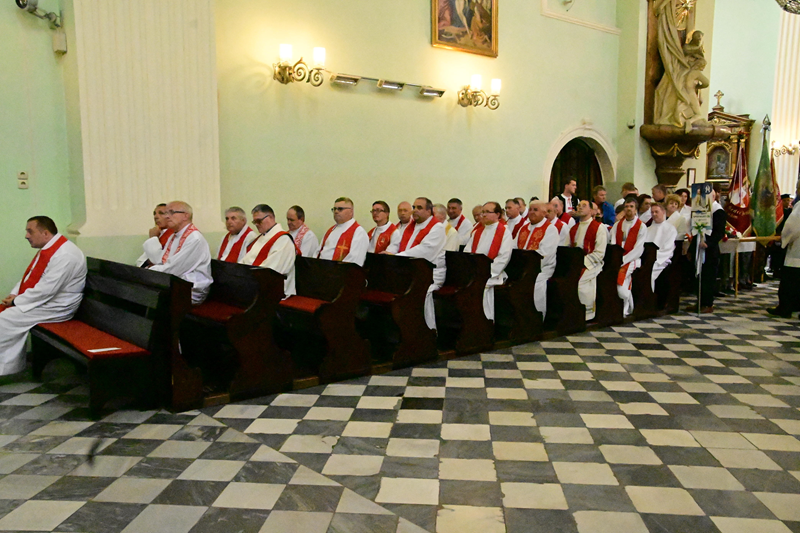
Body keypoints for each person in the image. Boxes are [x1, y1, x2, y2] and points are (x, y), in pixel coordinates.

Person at [0, 216, 87, 376]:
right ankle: (7, 367)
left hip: (57, 306)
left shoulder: (66, 255)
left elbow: (47, 289)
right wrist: (14, 293)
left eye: (30, 231)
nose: (26, 236)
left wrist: (16, 301)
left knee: (3, 320)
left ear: (45, 233)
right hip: (45, 302)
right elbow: (30, 276)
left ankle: (5, 368)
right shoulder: (50, 248)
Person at [386, 198, 447, 329]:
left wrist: (397, 257)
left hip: (430, 272)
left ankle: (425, 329)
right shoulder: (410, 226)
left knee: (420, 292)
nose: (415, 210)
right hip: (409, 269)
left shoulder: (437, 228)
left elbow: (425, 251)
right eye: (414, 207)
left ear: (429, 211)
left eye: (419, 207)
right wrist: (389, 252)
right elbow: (397, 243)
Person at [143, 201, 212, 305]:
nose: (167, 216)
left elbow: (173, 269)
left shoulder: (194, 239)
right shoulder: (174, 236)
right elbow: (161, 260)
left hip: (191, 290)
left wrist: (148, 272)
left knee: (145, 297)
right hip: (176, 283)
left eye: (171, 212)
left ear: (185, 216)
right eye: (166, 213)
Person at [464, 202, 513, 321]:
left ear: (497, 214)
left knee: (482, 286)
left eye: (487, 212)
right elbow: (467, 253)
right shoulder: (477, 232)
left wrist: (485, 274)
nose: (484, 215)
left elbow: (503, 257)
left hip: (493, 274)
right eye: (483, 212)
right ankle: (471, 322)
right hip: (475, 273)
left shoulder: (504, 232)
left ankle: (486, 321)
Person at [564, 200, 607, 320]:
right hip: (576, 263)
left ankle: (586, 314)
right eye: (579, 205)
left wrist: (581, 262)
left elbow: (599, 252)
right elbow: (568, 248)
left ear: (591, 211)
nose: (580, 208)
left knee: (581, 284)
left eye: (584, 206)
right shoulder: (573, 228)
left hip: (592, 264)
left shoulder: (598, 228)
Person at [242, 204, 296, 297]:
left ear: (270, 217)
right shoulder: (260, 237)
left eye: (259, 221)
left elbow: (271, 272)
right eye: (254, 222)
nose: (256, 224)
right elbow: (245, 261)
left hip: (275, 291)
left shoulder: (283, 240)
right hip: (255, 284)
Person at [516, 201, 559, 317]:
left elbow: (546, 254)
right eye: (530, 209)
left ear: (544, 213)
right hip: (522, 268)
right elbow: (514, 247)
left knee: (534, 283)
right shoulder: (523, 228)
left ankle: (536, 316)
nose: (531, 212)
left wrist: (528, 266)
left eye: (535, 210)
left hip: (542, 268)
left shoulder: (550, 229)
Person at [686, 188, 725, 313]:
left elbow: (719, 232)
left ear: (713, 197)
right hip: (699, 247)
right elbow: (696, 231)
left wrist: (708, 243)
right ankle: (700, 302)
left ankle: (708, 304)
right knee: (698, 277)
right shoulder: (700, 210)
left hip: (710, 250)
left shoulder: (718, 211)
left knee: (708, 277)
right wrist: (691, 249)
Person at [611, 196, 647, 317]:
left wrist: (623, 260)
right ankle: (628, 308)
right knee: (624, 282)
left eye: (631, 206)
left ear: (636, 209)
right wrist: (616, 258)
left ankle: (626, 307)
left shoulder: (641, 226)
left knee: (620, 280)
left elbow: (638, 248)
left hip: (633, 259)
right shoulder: (617, 225)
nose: (629, 209)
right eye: (626, 206)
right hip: (618, 259)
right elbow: (613, 242)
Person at [317, 197, 369, 266]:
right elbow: (318, 252)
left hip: (340, 271)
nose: (336, 211)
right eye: (334, 209)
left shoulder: (358, 232)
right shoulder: (331, 230)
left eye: (340, 209)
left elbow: (354, 261)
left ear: (351, 212)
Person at [768, 206, 800, 317]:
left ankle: (786, 308)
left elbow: (792, 227)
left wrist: (784, 238)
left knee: (790, 283)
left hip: (796, 254)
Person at [646, 202, 677, 293]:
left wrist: (654, 258)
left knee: (649, 272)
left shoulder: (670, 229)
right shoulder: (647, 229)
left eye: (656, 212)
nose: (654, 214)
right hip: (647, 258)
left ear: (663, 212)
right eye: (652, 212)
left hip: (661, 260)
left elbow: (667, 249)